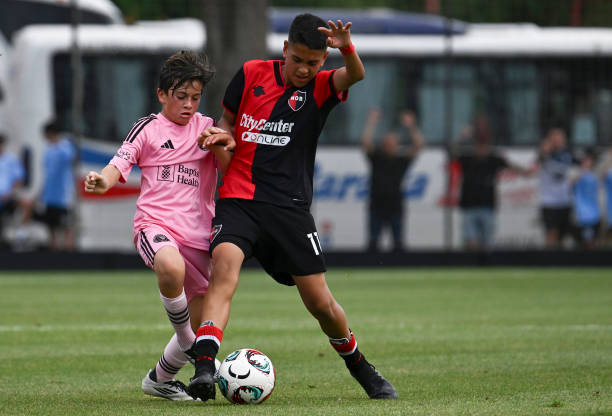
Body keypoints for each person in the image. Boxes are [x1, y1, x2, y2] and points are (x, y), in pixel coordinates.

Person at [187, 14, 397, 401]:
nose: (303, 69)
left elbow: (355, 75)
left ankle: (361, 368)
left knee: (320, 303)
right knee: (224, 271)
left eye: (312, 63)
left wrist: (347, 48)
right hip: (239, 199)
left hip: (289, 209)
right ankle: (203, 367)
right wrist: (222, 137)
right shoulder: (250, 73)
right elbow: (226, 122)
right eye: (297, 59)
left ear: (322, 61)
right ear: (285, 49)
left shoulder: (321, 87)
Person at [83, 51, 235, 401]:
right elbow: (118, 164)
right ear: (162, 95)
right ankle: (190, 344)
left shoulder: (207, 127)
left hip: (199, 236)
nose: (188, 105)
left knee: (200, 317)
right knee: (170, 266)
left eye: (195, 97)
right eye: (181, 97)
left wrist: (219, 144)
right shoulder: (148, 128)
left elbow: (231, 169)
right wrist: (103, 181)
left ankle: (160, 379)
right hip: (155, 225)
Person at [361, 108, 423, 252]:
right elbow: (365, 142)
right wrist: (371, 122)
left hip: (395, 207)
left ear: (397, 145)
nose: (390, 145)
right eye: (387, 143)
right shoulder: (377, 158)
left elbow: (418, 145)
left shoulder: (401, 160)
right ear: (383, 144)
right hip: (376, 206)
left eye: (393, 143)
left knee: (398, 244)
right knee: (373, 243)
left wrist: (411, 126)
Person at [455, 137, 529, 250]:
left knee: (487, 243)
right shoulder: (466, 159)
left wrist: (526, 172)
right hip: (469, 207)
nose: (482, 150)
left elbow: (511, 165)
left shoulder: (493, 160)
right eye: (479, 146)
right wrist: (462, 137)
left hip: (487, 207)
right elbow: (452, 153)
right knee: (471, 242)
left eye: (484, 147)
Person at [23, 121, 77, 250]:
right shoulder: (48, 150)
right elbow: (47, 175)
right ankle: (54, 252)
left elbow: (72, 160)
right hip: (50, 196)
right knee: (51, 226)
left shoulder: (66, 147)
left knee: (66, 226)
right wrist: (41, 193)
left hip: (63, 196)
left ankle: (70, 253)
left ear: (51, 133)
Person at [535, 128, 577, 248]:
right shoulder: (545, 155)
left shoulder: (568, 154)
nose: (558, 142)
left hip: (565, 200)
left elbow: (580, 165)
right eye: (555, 139)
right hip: (549, 202)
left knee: (563, 235)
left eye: (560, 139)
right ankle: (549, 257)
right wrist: (545, 150)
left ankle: (559, 257)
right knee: (551, 233)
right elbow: (539, 160)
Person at [570, 150, 600, 248]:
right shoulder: (577, 174)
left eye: (588, 160)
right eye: (585, 160)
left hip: (593, 214)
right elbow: (571, 184)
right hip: (580, 215)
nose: (587, 162)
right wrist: (582, 171)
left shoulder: (595, 174)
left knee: (591, 242)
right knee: (580, 243)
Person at [0, 134, 26, 248]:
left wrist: (10, 193)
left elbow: (18, 180)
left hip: (7, 197)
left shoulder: (12, 160)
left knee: (25, 205)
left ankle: (19, 236)